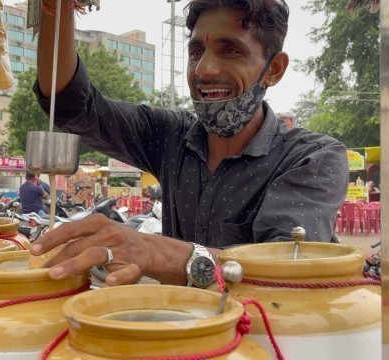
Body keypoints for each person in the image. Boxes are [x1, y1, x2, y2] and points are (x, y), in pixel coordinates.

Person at [30, 0, 348, 287]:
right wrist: (57, 10)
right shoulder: (170, 135)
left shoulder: (313, 157)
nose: (204, 69)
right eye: (196, 51)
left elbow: (284, 272)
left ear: (273, 70)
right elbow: (72, 106)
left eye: (230, 50)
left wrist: (155, 252)